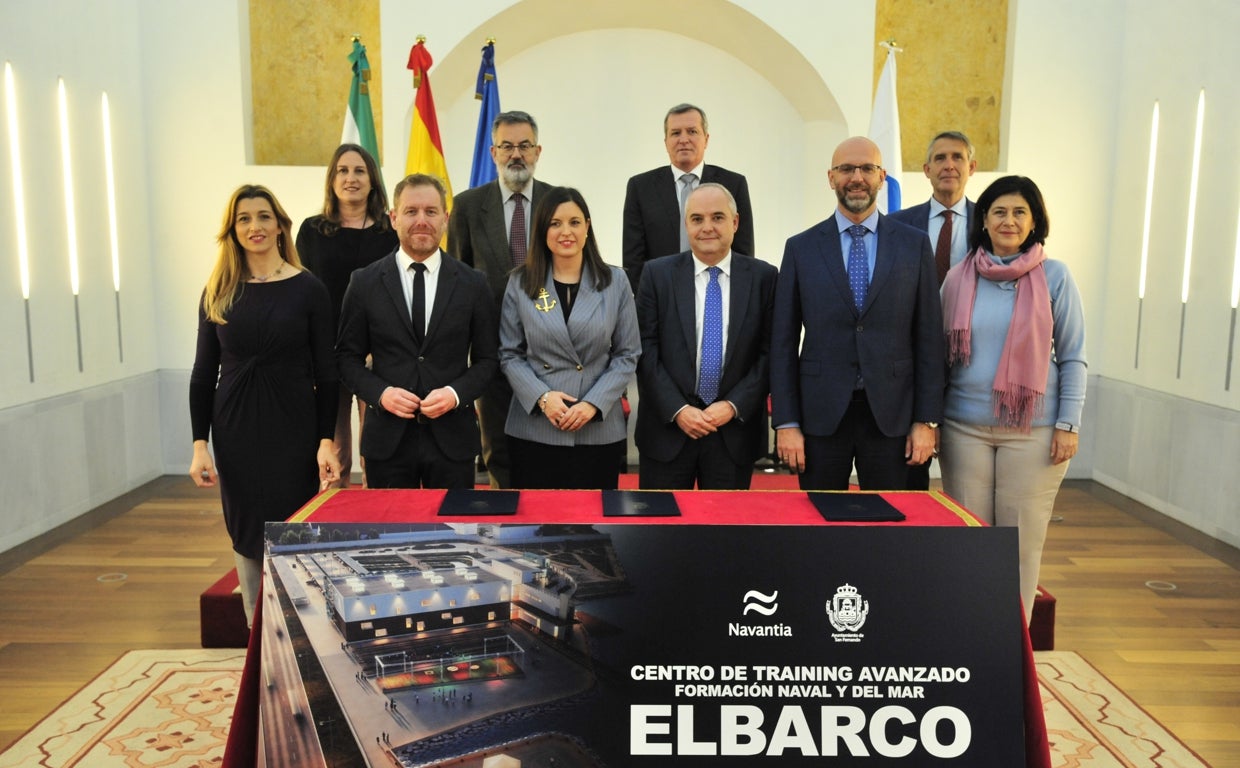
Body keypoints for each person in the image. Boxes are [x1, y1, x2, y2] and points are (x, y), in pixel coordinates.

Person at [938, 175, 1086, 625]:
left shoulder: (1054, 276)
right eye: (999, 211)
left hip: (1034, 433)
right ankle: (970, 635)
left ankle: (1010, 646)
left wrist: (1068, 424)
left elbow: (1075, 355)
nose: (1009, 220)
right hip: (964, 429)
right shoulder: (957, 278)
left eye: (1020, 212)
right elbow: (937, 356)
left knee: (1021, 542)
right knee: (971, 541)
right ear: (983, 219)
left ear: (1034, 220)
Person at [189, 184, 340, 626]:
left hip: (293, 428)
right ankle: (257, 643)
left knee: (292, 527)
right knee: (246, 532)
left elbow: (327, 373)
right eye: (244, 219)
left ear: (279, 225)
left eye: (263, 216)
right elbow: (202, 374)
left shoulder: (308, 288)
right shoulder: (218, 290)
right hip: (234, 430)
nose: (254, 226)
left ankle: (301, 637)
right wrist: (201, 444)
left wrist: (325, 440)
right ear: (233, 231)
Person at [771, 136, 944, 490]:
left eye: (867, 168)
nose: (857, 177)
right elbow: (782, 342)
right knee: (821, 530)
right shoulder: (800, 248)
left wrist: (926, 421)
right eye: (846, 168)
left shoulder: (914, 245)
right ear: (831, 177)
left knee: (893, 532)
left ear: (882, 177)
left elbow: (929, 338)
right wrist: (786, 422)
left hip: (893, 417)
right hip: (821, 417)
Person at [336, 174, 499, 489]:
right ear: (394, 218)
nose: (421, 220)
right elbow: (346, 359)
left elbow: (488, 361)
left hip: (453, 441)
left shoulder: (473, 284)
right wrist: (381, 395)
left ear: (445, 219)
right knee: (391, 536)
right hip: (388, 443)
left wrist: (454, 395)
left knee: (455, 534)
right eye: (411, 211)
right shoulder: (364, 282)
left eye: (431, 211)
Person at [635, 183, 777, 489]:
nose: (707, 227)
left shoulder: (764, 278)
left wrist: (732, 406)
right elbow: (644, 350)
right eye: (697, 219)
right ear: (686, 225)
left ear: (735, 222)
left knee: (725, 535)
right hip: (668, 431)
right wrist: (679, 410)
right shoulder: (656, 275)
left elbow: (769, 353)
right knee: (661, 533)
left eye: (717, 217)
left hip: (732, 434)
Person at [499, 187, 640, 489]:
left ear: (587, 227)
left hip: (597, 428)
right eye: (555, 223)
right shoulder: (520, 282)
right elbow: (510, 354)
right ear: (542, 230)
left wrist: (592, 404)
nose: (566, 231)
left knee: (594, 528)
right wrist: (543, 397)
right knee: (535, 528)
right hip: (535, 427)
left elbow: (628, 354)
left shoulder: (615, 282)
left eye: (575, 222)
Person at [449, 111, 553, 488]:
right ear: (493, 152)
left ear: (538, 151)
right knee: (499, 452)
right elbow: (456, 284)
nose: (516, 154)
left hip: (550, 353)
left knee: (549, 455)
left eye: (524, 146)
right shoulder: (466, 206)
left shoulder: (557, 203)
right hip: (491, 353)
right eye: (507, 146)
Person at [296, 143, 399, 487]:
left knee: (378, 452)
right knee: (334, 453)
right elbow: (301, 295)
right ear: (332, 179)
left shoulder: (390, 232)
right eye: (342, 170)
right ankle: (334, 530)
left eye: (359, 171)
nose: (351, 178)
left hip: (380, 357)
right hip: (327, 355)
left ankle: (377, 530)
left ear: (373, 181)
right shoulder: (312, 231)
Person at [889, 130, 978, 490]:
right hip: (910, 364)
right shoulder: (896, 225)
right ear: (926, 169)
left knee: (968, 482)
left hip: (970, 361)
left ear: (971, 166)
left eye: (957, 157)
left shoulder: (990, 223)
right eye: (940, 158)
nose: (949, 165)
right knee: (910, 472)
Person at [622, 103, 754, 292]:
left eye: (692, 131)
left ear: (706, 139)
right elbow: (633, 261)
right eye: (676, 133)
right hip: (662, 297)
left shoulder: (734, 184)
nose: (684, 139)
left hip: (717, 293)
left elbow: (744, 252)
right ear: (666, 141)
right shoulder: (640, 187)